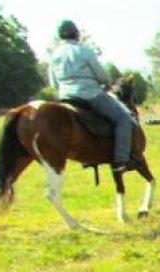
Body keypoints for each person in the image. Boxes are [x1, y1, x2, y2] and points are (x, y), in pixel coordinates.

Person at [48, 20, 137, 173]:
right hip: (90, 94)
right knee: (123, 119)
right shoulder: (84, 51)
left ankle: (88, 157)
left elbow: (52, 82)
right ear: (76, 33)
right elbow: (101, 75)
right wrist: (107, 84)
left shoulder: (54, 55)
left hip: (65, 97)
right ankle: (121, 160)